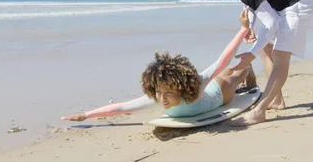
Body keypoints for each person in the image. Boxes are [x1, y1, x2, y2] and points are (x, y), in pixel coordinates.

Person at [198, 0, 313, 126]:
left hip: (297, 2)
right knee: (265, 49)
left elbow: (271, 23)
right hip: (280, 4)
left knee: (280, 58)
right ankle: (276, 100)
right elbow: (253, 1)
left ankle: (259, 111)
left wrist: (250, 55)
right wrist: (250, 26)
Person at [61, 27, 257, 122]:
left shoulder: (196, 87)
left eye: (169, 93)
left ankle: (248, 70)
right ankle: (245, 69)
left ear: (181, 89)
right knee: (229, 71)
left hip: (220, 94)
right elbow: (121, 107)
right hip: (212, 93)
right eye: (159, 92)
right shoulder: (157, 98)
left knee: (232, 73)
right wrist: (86, 115)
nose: (162, 99)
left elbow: (222, 59)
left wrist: (243, 30)